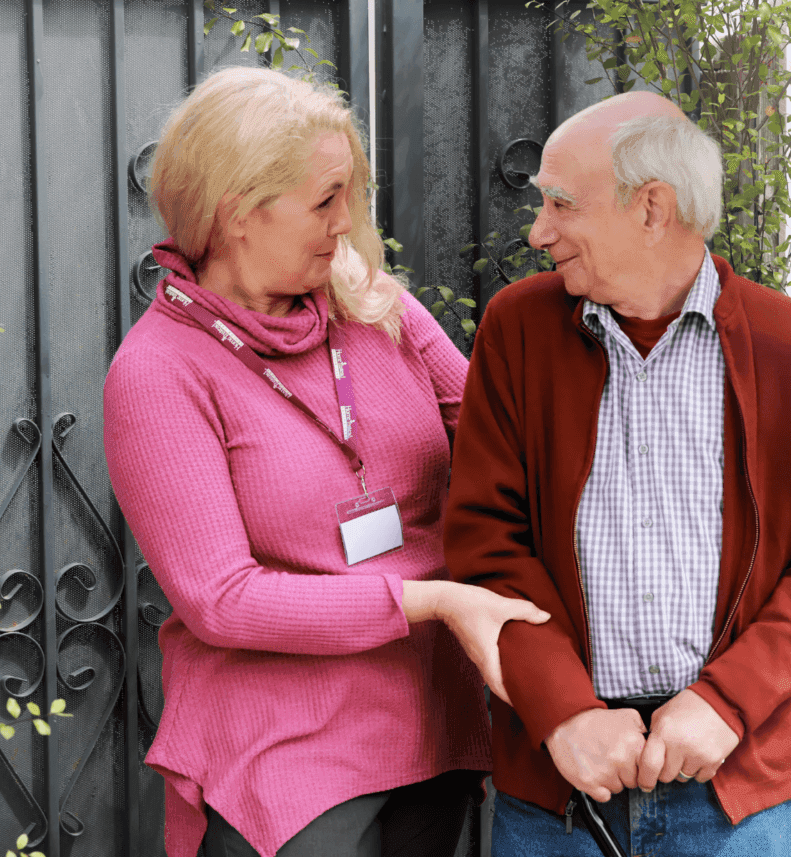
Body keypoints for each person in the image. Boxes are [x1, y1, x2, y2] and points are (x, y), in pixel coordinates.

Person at [103, 66, 549, 857]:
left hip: (426, 720)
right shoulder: (160, 372)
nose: (347, 221)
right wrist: (431, 598)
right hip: (285, 754)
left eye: (349, 194)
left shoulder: (372, 307)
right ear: (240, 213)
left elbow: (507, 437)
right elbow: (222, 600)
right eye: (324, 199)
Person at [443, 89, 791, 855]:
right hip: (558, 796)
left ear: (651, 209)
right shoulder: (516, 330)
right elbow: (485, 545)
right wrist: (564, 709)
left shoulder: (782, 344)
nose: (538, 233)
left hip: (741, 797)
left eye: (562, 205)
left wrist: (730, 702)